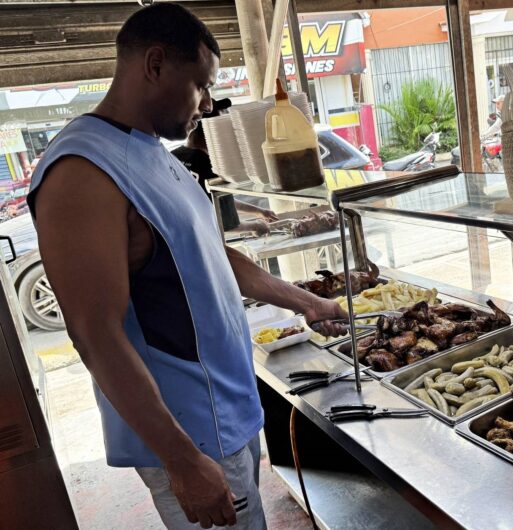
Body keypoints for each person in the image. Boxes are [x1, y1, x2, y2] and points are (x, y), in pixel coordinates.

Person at [26, 4, 347, 529]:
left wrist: (310, 303)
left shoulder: (152, 151)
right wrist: (180, 460)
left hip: (226, 413)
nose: (207, 102)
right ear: (155, 65)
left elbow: (212, 255)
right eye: (200, 85)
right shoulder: (82, 170)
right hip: (189, 433)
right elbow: (94, 333)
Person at [171, 98, 279, 236]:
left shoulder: (173, 156)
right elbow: (227, 225)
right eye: (223, 125)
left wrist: (259, 211)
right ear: (213, 130)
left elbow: (218, 201)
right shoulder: (210, 166)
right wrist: (257, 226)